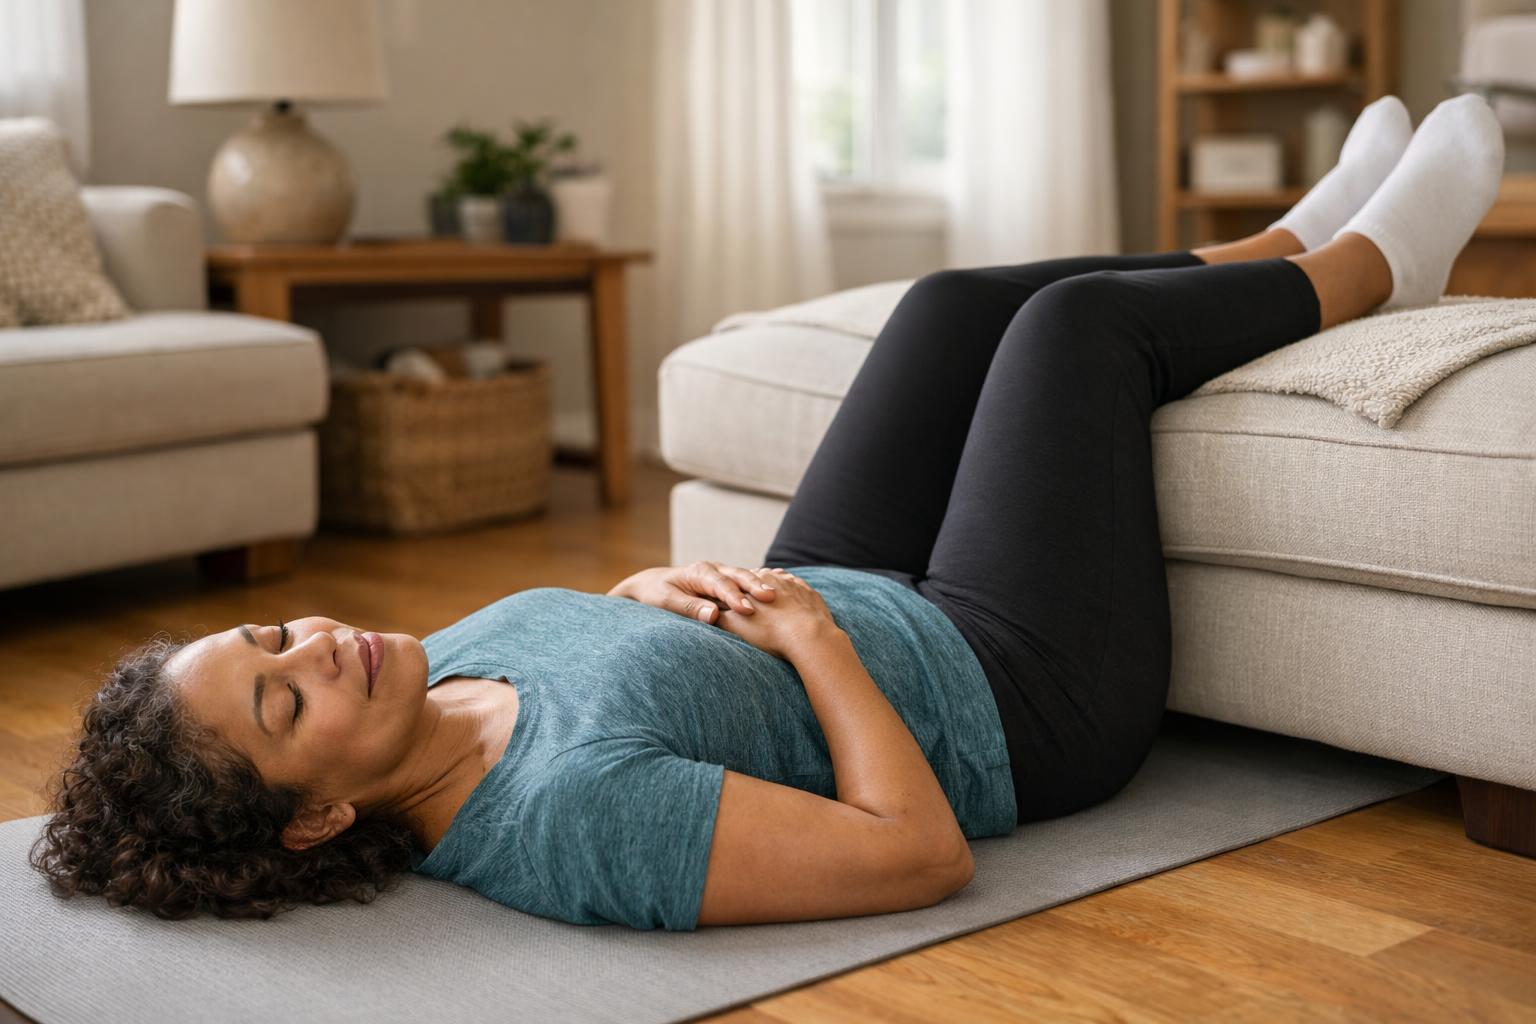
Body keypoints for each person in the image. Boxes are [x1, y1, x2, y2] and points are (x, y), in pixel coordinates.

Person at [30, 95, 1504, 930]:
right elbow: (917, 856)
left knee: (943, 308)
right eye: (286, 703)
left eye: (271, 637)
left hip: (837, 595)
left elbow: (604, 663)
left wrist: (645, 596)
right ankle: (1384, 264)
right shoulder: (567, 825)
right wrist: (816, 647)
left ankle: (1284, 240)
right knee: (1073, 335)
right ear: (317, 819)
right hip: (1011, 691)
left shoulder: (430, 681)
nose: (319, 647)